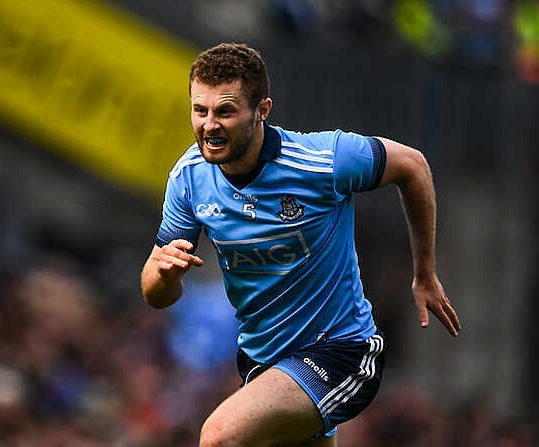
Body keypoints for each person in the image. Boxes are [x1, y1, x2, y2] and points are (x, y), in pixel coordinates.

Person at [140, 42, 461, 447]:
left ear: (262, 111)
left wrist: (424, 272)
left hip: (340, 352)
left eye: (225, 111)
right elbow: (156, 294)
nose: (209, 124)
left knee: (219, 438)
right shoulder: (188, 178)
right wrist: (165, 274)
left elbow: (412, 165)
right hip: (264, 363)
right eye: (199, 110)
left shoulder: (321, 160)